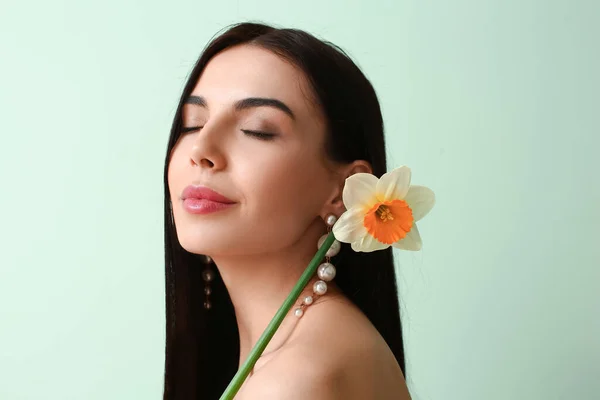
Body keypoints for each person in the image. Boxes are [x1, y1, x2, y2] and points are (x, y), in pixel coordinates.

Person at [163, 21, 412, 399]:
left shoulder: (295, 380)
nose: (202, 150)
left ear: (345, 190)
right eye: (192, 124)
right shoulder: (312, 345)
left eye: (257, 129)